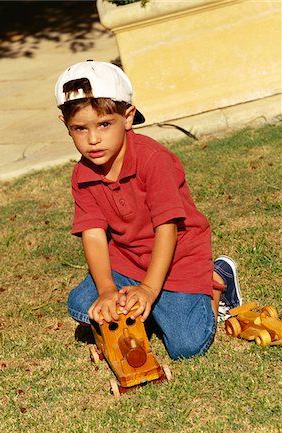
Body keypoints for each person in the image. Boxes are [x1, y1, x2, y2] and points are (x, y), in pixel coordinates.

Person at [55, 60, 242, 360]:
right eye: (80, 128)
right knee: (81, 305)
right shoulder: (83, 174)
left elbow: (166, 228)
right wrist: (106, 289)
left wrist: (150, 290)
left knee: (186, 346)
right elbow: (93, 236)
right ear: (66, 126)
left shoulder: (153, 159)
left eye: (104, 124)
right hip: (127, 261)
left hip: (177, 261)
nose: (93, 139)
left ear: (127, 116)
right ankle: (144, 310)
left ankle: (218, 282)